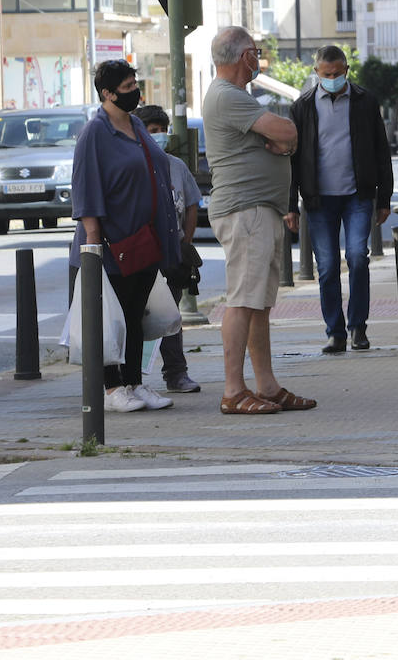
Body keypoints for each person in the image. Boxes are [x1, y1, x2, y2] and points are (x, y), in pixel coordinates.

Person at [204, 26, 315, 416]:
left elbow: (288, 138)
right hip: (245, 209)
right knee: (243, 301)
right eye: (255, 51)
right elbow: (287, 131)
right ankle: (233, 390)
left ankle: (266, 384)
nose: (259, 57)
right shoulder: (227, 96)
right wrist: (285, 140)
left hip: (258, 209)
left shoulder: (239, 97)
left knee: (259, 304)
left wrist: (285, 141)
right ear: (242, 56)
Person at [69, 61, 184, 413]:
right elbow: (86, 188)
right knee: (110, 318)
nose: (135, 90)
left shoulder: (135, 124)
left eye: (135, 82)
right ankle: (112, 386)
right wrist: (93, 243)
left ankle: (134, 381)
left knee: (136, 315)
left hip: (144, 240)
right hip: (110, 243)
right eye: (128, 85)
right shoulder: (95, 133)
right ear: (107, 93)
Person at [286, 45, 393, 354]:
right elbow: (293, 161)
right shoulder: (302, 107)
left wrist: (384, 198)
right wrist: (290, 205)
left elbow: (380, 151)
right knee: (328, 266)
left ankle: (358, 327)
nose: (332, 79)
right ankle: (335, 332)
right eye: (326, 75)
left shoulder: (364, 101)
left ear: (347, 70)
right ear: (317, 73)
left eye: (337, 74)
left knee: (359, 257)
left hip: (358, 195)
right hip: (319, 200)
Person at [135, 104, 203, 395]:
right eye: (153, 131)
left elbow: (191, 204)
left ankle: (176, 373)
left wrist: (185, 242)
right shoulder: (134, 164)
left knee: (171, 315)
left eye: (163, 130)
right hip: (140, 254)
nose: (160, 136)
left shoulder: (176, 166)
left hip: (171, 255)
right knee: (136, 317)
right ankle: (129, 380)